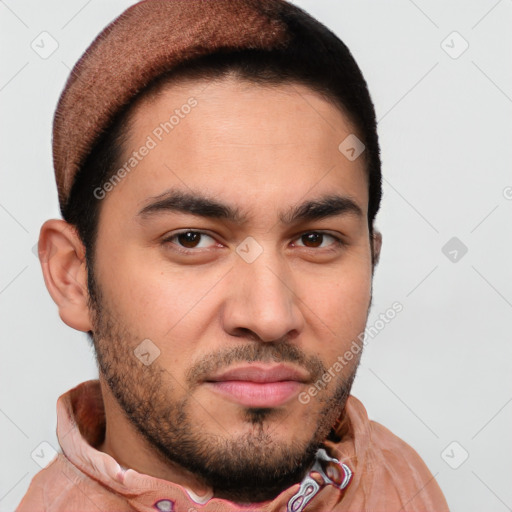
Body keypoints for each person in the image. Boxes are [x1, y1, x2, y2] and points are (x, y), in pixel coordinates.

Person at [17, 0, 449, 510]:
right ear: (72, 276)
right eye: (192, 240)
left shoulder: (406, 484)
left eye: (315, 239)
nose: (269, 316)